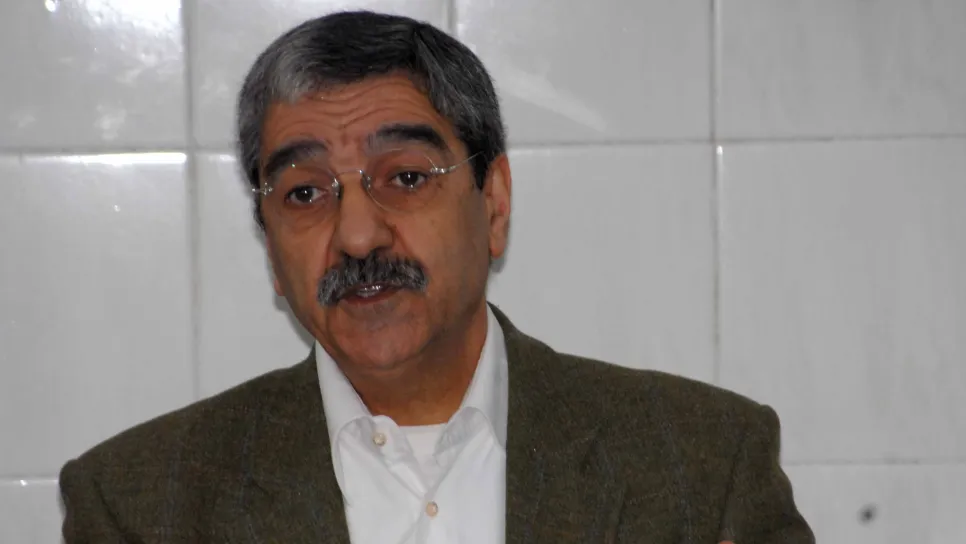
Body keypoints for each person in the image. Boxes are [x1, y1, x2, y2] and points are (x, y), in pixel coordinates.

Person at [59, 10, 814, 544]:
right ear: (271, 249)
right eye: (305, 194)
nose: (357, 234)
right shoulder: (140, 506)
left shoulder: (702, 466)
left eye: (407, 177)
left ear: (494, 203)